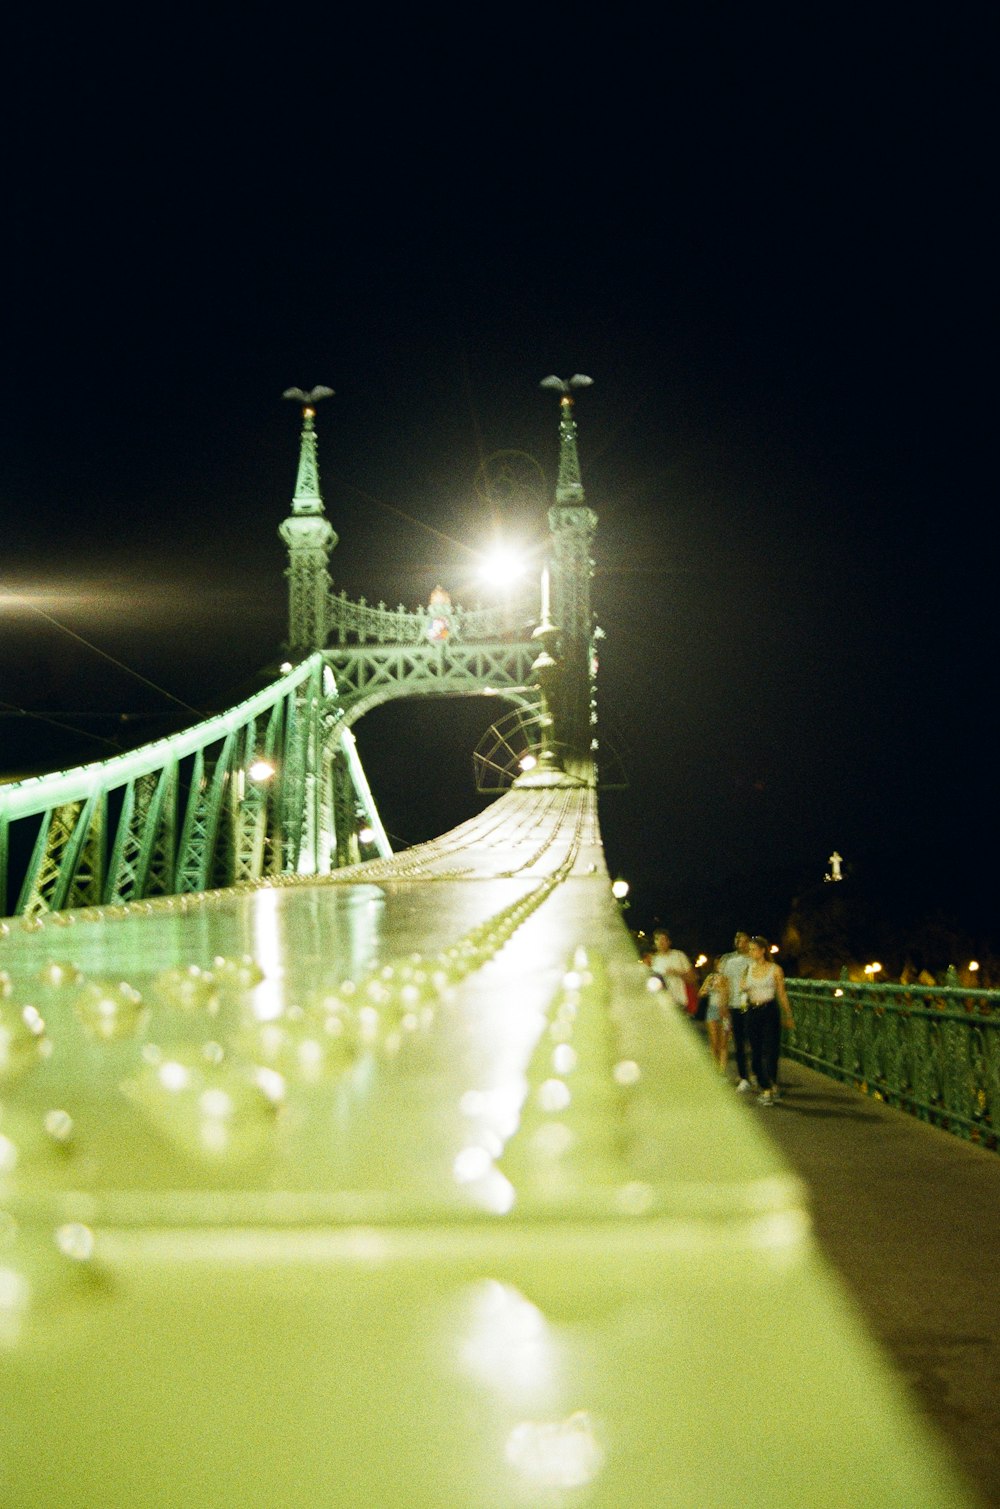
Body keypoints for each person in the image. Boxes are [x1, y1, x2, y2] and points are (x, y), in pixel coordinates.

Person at [745, 935, 795, 1106]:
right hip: (753, 1010)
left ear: (763, 950)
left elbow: (781, 993)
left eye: (753, 949)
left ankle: (769, 1088)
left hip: (769, 1010)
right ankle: (766, 1084)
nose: (750, 952)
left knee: (771, 1050)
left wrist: (788, 1015)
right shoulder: (748, 968)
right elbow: (743, 987)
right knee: (756, 1051)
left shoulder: (775, 969)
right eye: (749, 949)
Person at [720, 931, 752, 1090]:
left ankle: (756, 1073)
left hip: (754, 1004)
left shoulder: (755, 959)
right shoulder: (730, 961)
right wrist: (723, 1004)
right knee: (739, 1042)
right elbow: (724, 984)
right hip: (735, 1004)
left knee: (755, 1040)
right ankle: (744, 1077)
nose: (741, 943)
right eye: (738, 940)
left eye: (745, 940)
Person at [648, 929, 696, 1011]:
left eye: (663, 939)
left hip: (679, 1002)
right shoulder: (653, 960)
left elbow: (693, 979)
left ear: (669, 942)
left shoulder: (679, 955)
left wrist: (677, 973)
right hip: (661, 1004)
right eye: (657, 939)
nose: (660, 942)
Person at [698, 957, 730, 1072]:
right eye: (719, 964)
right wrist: (707, 989)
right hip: (712, 1009)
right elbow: (700, 993)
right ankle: (715, 1068)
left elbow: (730, 994)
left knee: (723, 1042)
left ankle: (722, 1070)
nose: (721, 967)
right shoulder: (711, 978)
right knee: (714, 1041)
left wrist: (722, 989)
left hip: (726, 1011)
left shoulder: (728, 979)